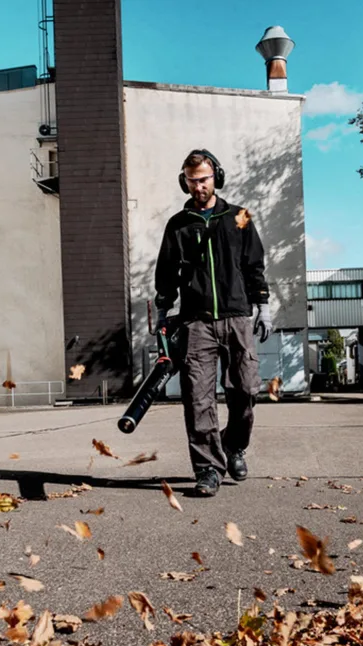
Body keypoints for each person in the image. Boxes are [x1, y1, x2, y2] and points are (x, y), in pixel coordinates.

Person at [154, 149, 271, 497]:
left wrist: (263, 305)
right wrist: (162, 310)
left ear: (215, 177)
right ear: (184, 182)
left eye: (203, 179)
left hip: (237, 317)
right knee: (198, 399)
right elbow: (166, 272)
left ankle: (233, 446)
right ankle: (207, 469)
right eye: (192, 181)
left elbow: (254, 264)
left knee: (246, 390)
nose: (198, 186)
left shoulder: (239, 218)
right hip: (196, 322)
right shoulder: (178, 224)